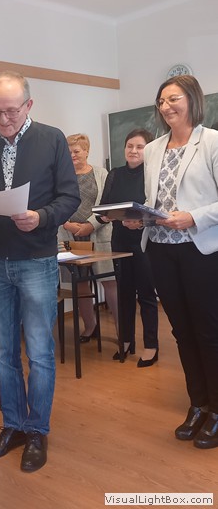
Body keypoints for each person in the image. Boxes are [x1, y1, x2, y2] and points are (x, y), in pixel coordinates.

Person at [0, 71, 80, 472]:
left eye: (11, 111)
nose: (4, 119)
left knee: (40, 352)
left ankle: (37, 431)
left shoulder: (52, 139)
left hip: (37, 259)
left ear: (29, 105)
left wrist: (41, 217)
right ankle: (12, 425)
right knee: (3, 353)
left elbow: (69, 196)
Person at [137, 75, 218, 448]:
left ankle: (216, 410)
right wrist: (139, 215)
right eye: (161, 101)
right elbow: (153, 198)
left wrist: (194, 217)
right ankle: (198, 404)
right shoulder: (153, 149)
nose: (166, 106)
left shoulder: (212, 142)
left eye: (173, 99)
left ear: (192, 100)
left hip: (200, 250)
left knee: (208, 332)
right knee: (182, 332)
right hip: (160, 248)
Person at [97, 129, 159, 366]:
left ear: (148, 150)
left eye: (139, 147)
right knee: (124, 292)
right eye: (129, 146)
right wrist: (106, 216)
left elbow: (159, 211)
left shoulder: (153, 174)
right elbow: (103, 207)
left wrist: (141, 221)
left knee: (146, 294)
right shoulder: (115, 174)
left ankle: (151, 346)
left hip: (144, 241)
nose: (133, 151)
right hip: (119, 241)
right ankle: (125, 340)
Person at [58, 133, 118, 341]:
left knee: (109, 282)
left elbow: (106, 204)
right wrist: (68, 224)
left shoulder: (101, 174)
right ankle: (90, 327)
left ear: (86, 151)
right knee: (79, 284)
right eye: (68, 152)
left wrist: (89, 225)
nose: (72, 155)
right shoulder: (60, 176)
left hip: (99, 234)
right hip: (69, 236)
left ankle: (122, 331)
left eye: (76, 151)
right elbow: (56, 204)